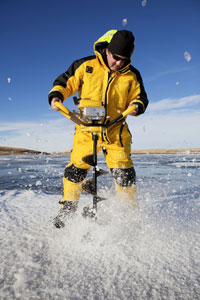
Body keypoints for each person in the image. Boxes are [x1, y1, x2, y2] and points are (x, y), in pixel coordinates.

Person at [48, 29, 149, 228]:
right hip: (86, 130)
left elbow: (141, 97)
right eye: (116, 57)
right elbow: (64, 82)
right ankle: (67, 208)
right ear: (107, 51)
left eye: (124, 59)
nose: (119, 63)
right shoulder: (85, 65)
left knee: (124, 174)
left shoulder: (132, 74)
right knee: (75, 171)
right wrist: (57, 96)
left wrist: (137, 106)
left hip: (116, 132)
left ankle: (129, 216)